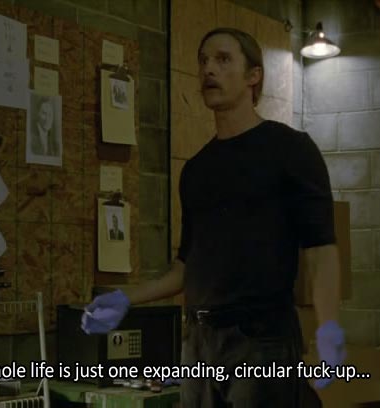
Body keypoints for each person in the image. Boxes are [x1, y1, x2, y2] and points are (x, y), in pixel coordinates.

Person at [81, 27, 346, 407]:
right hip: (199, 344)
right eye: (203, 61)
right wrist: (125, 298)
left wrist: (328, 327)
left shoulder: (290, 150)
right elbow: (186, 269)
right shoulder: (196, 170)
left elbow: (321, 250)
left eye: (223, 60)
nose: (208, 69)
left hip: (261, 339)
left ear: (253, 76)